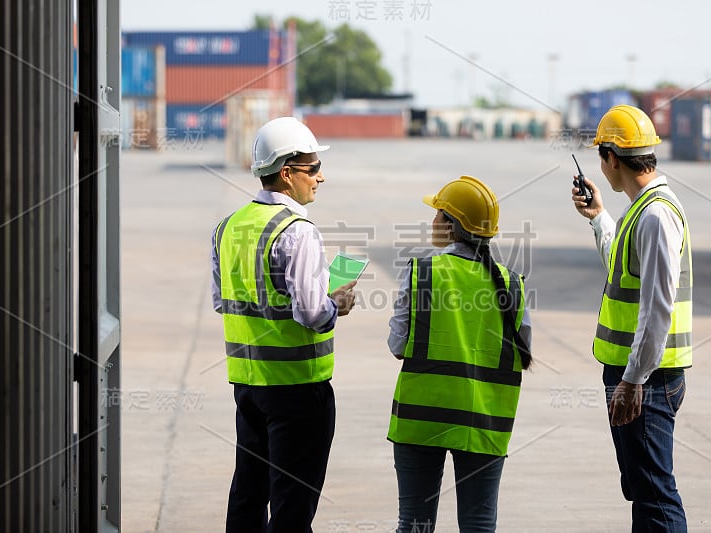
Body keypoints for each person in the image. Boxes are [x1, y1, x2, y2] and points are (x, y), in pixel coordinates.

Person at [211, 116, 357, 533]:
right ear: (287, 173)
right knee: (292, 508)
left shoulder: (227, 227)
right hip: (297, 389)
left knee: (248, 494)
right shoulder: (298, 232)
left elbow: (224, 301)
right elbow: (311, 314)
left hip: (248, 386)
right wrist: (337, 303)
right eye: (313, 169)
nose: (321, 177)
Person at [387, 176, 532, 533]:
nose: (432, 221)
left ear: (452, 227)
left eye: (438, 214)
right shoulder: (511, 283)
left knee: (415, 524)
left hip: (421, 421)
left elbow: (397, 345)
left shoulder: (423, 273)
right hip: (485, 424)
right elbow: (521, 349)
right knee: (479, 525)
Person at [570, 105, 692, 532]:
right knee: (644, 491)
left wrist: (632, 380)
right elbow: (625, 273)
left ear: (612, 159)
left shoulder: (656, 215)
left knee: (656, 496)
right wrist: (598, 218)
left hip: (647, 380)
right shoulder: (642, 209)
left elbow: (657, 306)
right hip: (640, 376)